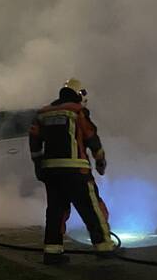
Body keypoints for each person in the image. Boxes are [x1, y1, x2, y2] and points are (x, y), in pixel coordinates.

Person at [29, 78, 114, 265]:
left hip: (51, 172)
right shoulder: (77, 112)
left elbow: (34, 142)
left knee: (55, 212)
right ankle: (104, 248)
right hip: (77, 171)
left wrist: (38, 165)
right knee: (92, 209)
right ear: (77, 94)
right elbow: (92, 138)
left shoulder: (43, 113)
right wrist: (101, 162)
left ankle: (52, 253)